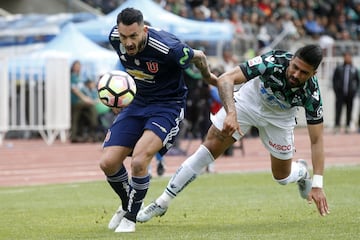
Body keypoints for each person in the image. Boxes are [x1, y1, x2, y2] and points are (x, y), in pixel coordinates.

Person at [137, 44, 330, 224]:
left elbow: (317, 140)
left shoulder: (312, 94)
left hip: (280, 119)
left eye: (303, 72)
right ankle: (162, 202)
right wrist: (231, 113)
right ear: (292, 59)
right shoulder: (272, 61)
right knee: (209, 147)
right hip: (249, 102)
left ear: (313, 73)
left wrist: (318, 183)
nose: (296, 74)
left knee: (281, 177)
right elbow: (226, 79)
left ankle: (301, 171)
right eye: (294, 67)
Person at [99, 7, 217, 233]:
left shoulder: (169, 48)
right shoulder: (115, 38)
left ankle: (130, 219)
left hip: (167, 105)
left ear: (144, 30)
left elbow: (199, 56)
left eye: (133, 36)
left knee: (139, 161)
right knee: (108, 163)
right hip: (137, 102)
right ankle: (129, 204)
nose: (128, 42)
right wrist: (119, 99)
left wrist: (208, 77)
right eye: (124, 36)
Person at [70, 60, 98, 143]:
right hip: (77, 101)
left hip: (82, 102)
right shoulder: (73, 76)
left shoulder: (79, 77)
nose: (78, 68)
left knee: (79, 118)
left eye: (79, 66)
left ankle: (82, 135)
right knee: (76, 118)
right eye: (76, 66)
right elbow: (75, 89)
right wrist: (85, 99)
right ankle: (76, 136)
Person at [332, 51, 360, 134]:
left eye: (349, 57)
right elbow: (334, 80)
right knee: (338, 110)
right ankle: (337, 126)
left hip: (350, 95)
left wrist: (355, 92)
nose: (347, 58)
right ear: (343, 58)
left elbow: (358, 82)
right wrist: (336, 90)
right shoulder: (339, 68)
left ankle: (347, 126)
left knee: (349, 110)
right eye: (346, 57)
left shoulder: (354, 69)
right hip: (340, 94)